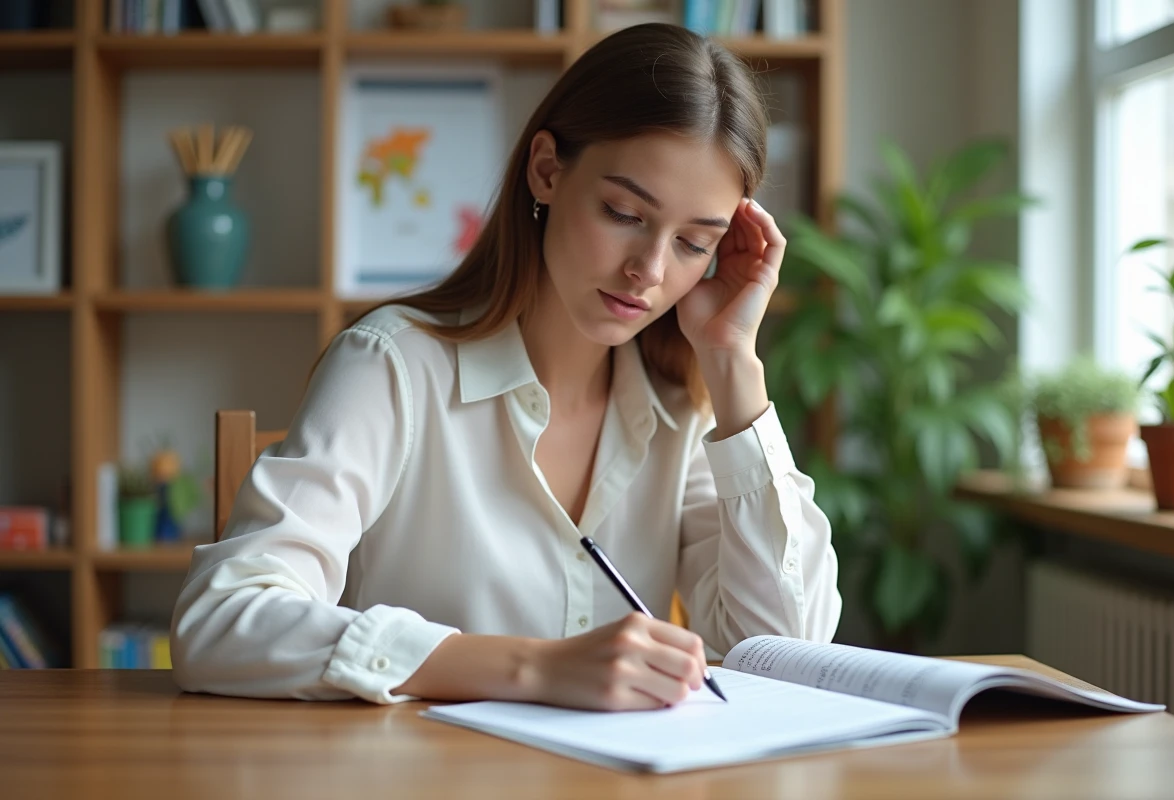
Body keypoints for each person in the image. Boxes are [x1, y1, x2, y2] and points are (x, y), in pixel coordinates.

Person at [170, 22, 841, 711]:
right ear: (547, 170)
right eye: (622, 212)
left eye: (695, 244)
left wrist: (734, 366)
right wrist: (533, 668)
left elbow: (783, 656)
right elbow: (220, 623)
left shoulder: (684, 409)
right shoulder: (393, 367)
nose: (650, 270)